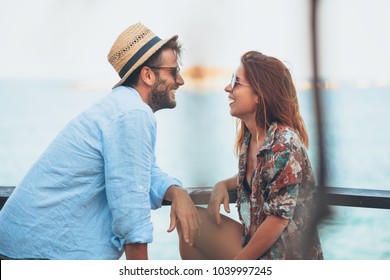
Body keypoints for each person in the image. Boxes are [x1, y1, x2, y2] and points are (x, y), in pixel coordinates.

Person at [0, 22, 200, 260]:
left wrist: (175, 191)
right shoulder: (132, 113)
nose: (181, 80)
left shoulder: (122, 107)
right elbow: (131, 217)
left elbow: (140, 171)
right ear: (147, 75)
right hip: (34, 257)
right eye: (174, 72)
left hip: (23, 249)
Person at [177, 51, 323, 260]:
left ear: (259, 95)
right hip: (255, 241)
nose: (228, 88)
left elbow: (278, 220)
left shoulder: (283, 145)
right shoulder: (252, 138)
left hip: (285, 255)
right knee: (189, 223)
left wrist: (239, 265)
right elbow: (258, 178)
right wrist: (223, 184)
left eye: (236, 82)